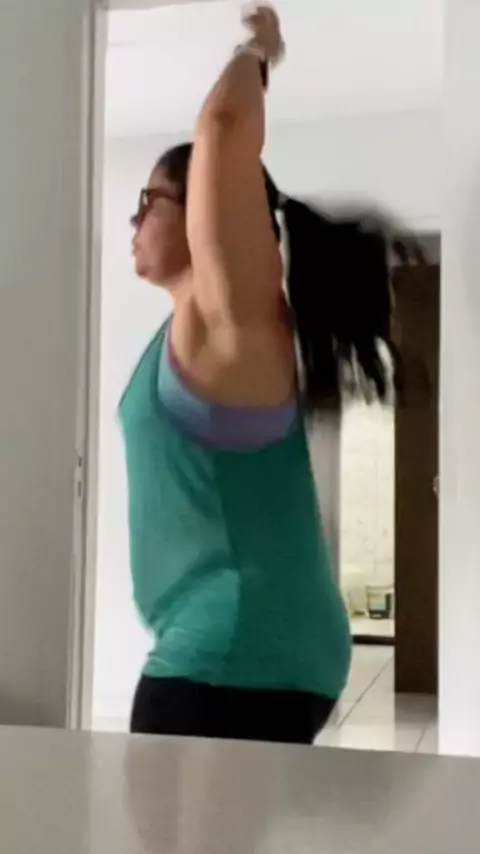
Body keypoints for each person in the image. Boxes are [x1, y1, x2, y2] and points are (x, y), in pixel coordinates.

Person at [121, 5, 397, 744]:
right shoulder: (193, 331)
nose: (134, 220)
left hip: (233, 657)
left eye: (149, 201)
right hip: (239, 649)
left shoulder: (232, 316)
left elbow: (222, 127)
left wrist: (261, 48)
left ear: (203, 212)